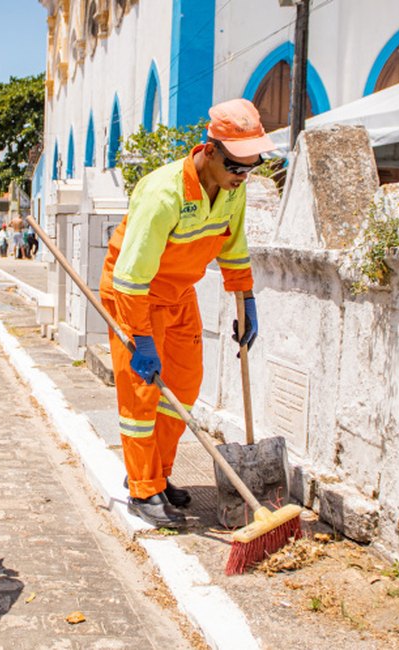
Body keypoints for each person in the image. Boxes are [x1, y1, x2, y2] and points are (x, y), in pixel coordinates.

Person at [98, 98, 272, 528]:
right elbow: (131, 276)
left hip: (178, 294)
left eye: (252, 167)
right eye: (236, 166)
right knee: (141, 396)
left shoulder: (234, 189)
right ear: (209, 151)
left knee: (184, 389)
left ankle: (158, 474)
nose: (242, 177)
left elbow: (233, 244)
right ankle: (142, 490)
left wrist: (245, 298)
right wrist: (140, 338)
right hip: (134, 294)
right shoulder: (164, 193)